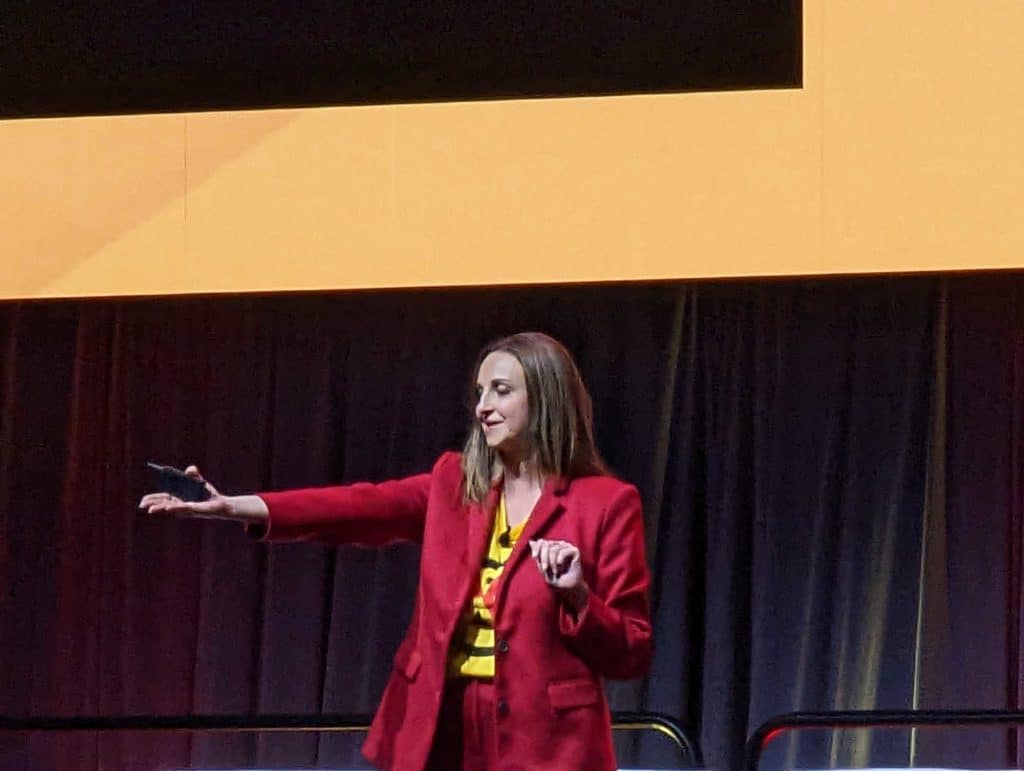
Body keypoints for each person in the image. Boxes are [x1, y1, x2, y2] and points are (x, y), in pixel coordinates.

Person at [139, 331, 652, 771]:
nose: (482, 407)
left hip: (547, 743)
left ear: (545, 398)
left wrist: (579, 598)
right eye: (479, 392)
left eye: (500, 391)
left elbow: (632, 650)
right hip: (441, 729)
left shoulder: (605, 503)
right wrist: (234, 507)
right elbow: (357, 507)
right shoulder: (455, 482)